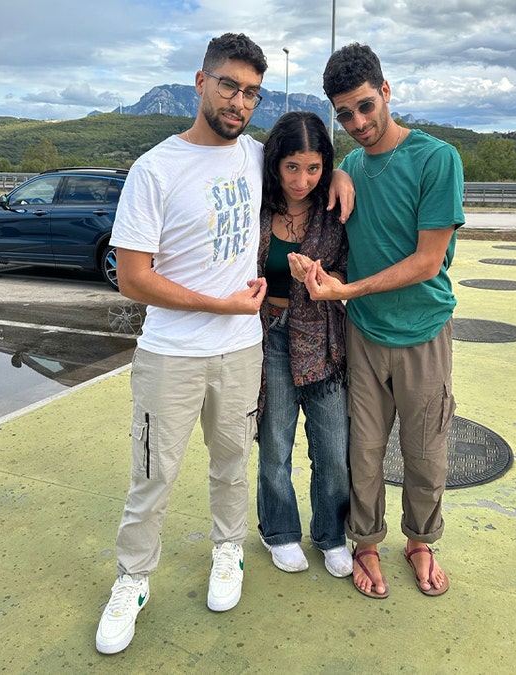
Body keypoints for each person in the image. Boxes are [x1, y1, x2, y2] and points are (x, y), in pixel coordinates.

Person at [95, 34, 352, 655]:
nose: (240, 102)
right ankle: (132, 581)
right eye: (229, 86)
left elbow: (303, 160)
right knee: (153, 474)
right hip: (171, 354)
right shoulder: (155, 168)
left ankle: (229, 552)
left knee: (234, 464)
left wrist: (339, 171)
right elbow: (133, 277)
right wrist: (225, 304)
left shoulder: (255, 157)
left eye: (251, 93)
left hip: (241, 352)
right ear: (201, 82)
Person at [293, 43, 464, 600]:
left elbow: (427, 261)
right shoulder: (350, 167)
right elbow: (311, 183)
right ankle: (365, 542)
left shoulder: (437, 159)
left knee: (426, 449)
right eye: (345, 114)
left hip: (423, 332)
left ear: (386, 91)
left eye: (366, 106)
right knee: (361, 453)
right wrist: (341, 169)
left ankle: (420, 541)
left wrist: (347, 291)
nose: (358, 122)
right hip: (364, 336)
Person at [255, 111, 352, 578]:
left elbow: (349, 272)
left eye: (314, 168)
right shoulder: (256, 203)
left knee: (332, 447)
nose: (302, 179)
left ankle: (331, 534)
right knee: (275, 442)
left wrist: (322, 278)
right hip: (269, 333)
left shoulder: (333, 210)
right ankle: (279, 530)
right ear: (276, 162)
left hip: (323, 339)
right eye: (292, 166)